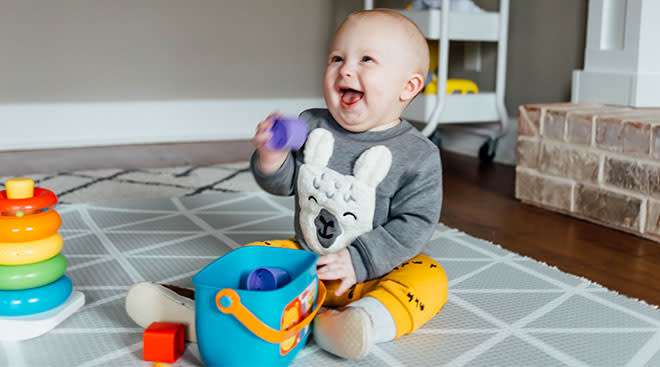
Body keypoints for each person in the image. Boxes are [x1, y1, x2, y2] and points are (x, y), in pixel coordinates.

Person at [125, 8, 448, 360]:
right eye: (336, 58)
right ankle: (202, 309)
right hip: (306, 262)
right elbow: (285, 183)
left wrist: (359, 261)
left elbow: (415, 224)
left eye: (366, 59)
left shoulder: (419, 155)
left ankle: (361, 322)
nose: (346, 69)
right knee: (252, 257)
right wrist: (272, 156)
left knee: (430, 279)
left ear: (409, 86)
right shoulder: (312, 125)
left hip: (376, 274)